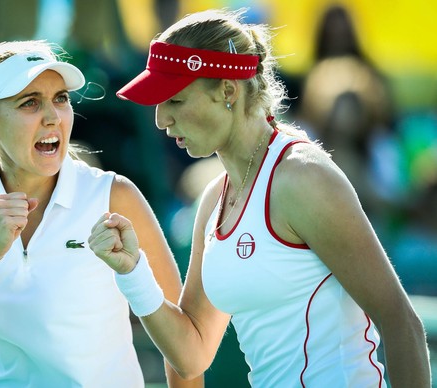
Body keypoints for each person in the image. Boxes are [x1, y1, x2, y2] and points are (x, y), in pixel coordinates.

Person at [88, 9, 432, 387]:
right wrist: (134, 271)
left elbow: (401, 322)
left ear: (228, 91)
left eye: (175, 101)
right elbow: (191, 356)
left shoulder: (303, 177)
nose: (160, 120)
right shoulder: (213, 200)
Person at [0, 40, 202, 387]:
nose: (52, 117)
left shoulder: (114, 195)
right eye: (29, 103)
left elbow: (181, 346)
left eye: (60, 99)